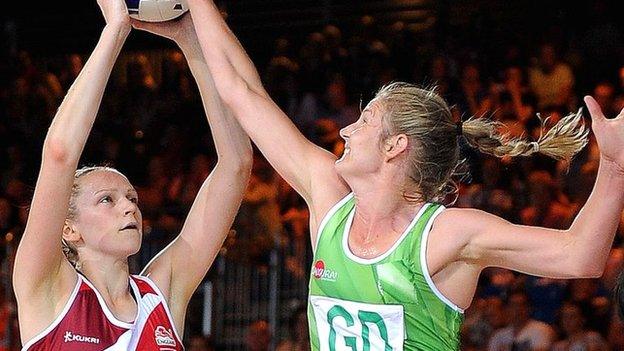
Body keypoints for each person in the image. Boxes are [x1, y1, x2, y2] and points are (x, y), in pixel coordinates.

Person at [186, 1, 624, 349]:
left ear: (396, 146)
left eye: (365, 120)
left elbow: (579, 255)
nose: (345, 129)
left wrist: (614, 164)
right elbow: (242, 94)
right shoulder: (328, 200)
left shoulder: (445, 235)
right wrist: (196, 8)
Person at [11, 1, 252, 350]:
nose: (129, 208)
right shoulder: (45, 288)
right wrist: (116, 29)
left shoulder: (162, 294)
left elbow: (236, 162)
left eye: (132, 198)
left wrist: (190, 40)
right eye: (107, 199)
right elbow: (60, 155)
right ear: (69, 228)